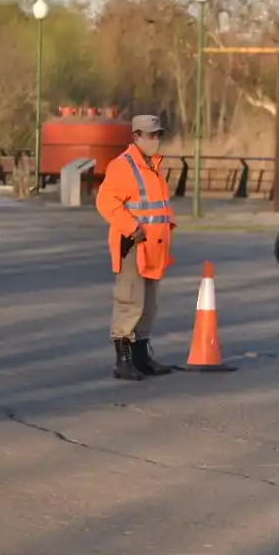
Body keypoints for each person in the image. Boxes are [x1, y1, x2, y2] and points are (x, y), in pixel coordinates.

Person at [95, 115, 178, 381]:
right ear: (136, 136)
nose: (154, 140)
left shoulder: (153, 166)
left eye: (157, 135)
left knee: (149, 304)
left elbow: (160, 204)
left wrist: (169, 224)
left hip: (154, 246)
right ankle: (124, 361)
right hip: (133, 244)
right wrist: (133, 228)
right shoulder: (123, 166)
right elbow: (106, 202)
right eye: (149, 135)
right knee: (130, 301)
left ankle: (141, 356)